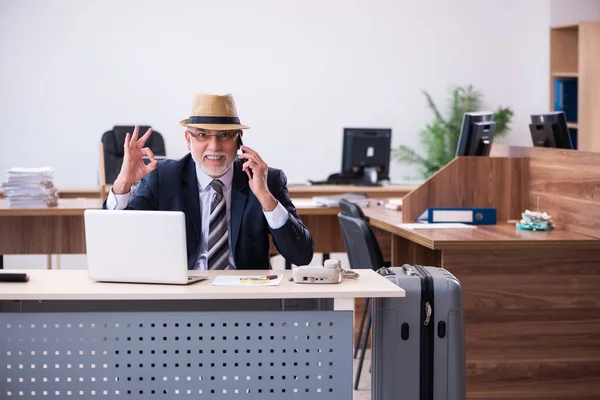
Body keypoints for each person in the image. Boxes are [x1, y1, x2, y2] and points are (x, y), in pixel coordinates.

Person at [105, 92, 314, 270]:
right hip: (181, 298)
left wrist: (265, 197)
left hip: (247, 300)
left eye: (224, 135)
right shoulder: (163, 177)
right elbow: (116, 243)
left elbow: (302, 257)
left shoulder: (267, 180)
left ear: (238, 139)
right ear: (188, 140)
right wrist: (123, 183)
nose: (214, 147)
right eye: (203, 135)